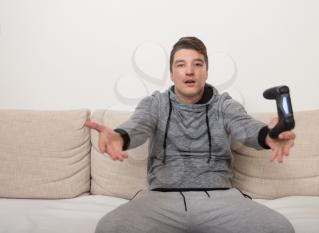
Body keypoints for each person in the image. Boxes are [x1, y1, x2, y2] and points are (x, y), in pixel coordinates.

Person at [85, 36, 296, 233]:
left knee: (280, 228)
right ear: (171, 73)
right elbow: (139, 124)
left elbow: (245, 126)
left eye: (197, 64)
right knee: (108, 228)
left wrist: (268, 135)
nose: (189, 71)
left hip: (219, 198)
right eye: (181, 64)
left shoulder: (224, 104)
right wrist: (120, 137)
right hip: (161, 199)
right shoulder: (155, 103)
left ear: (206, 71)